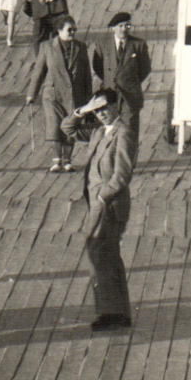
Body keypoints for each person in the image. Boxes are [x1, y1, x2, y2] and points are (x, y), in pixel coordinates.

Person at [61, 90, 135, 331]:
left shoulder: (123, 133)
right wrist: (82, 110)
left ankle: (111, 312)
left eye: (105, 108)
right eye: (98, 110)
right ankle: (117, 311)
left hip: (108, 203)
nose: (102, 114)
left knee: (98, 252)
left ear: (116, 106)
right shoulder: (99, 132)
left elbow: (122, 174)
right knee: (107, 254)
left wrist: (103, 196)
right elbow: (67, 129)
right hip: (96, 201)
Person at [26, 16, 95, 172]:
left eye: (74, 30)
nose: (73, 33)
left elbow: (86, 75)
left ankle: (68, 160)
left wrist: (88, 97)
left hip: (74, 94)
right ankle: (57, 160)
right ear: (59, 30)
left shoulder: (80, 47)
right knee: (55, 125)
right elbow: (39, 72)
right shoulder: (47, 47)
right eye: (69, 30)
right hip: (53, 95)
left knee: (71, 125)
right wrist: (32, 94)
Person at [92, 11, 153, 159]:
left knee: (130, 128)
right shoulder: (102, 45)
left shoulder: (138, 45)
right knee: (110, 127)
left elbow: (145, 68)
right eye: (120, 26)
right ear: (113, 28)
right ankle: (110, 157)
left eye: (127, 25)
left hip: (130, 96)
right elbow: (97, 66)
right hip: (110, 95)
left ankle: (128, 160)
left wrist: (129, 82)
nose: (124, 29)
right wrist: (110, 80)